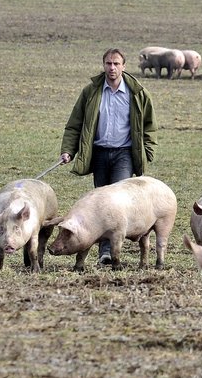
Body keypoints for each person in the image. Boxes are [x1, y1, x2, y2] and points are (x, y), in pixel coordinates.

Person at [59, 48, 158, 265]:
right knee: (101, 204)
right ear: (103, 65)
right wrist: (68, 150)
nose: (112, 68)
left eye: (116, 64)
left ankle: (114, 249)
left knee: (116, 202)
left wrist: (147, 150)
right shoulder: (91, 92)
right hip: (100, 153)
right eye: (108, 63)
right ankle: (105, 251)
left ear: (124, 66)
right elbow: (74, 125)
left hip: (124, 153)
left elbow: (149, 126)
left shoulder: (138, 94)